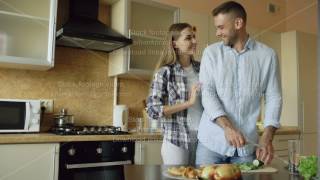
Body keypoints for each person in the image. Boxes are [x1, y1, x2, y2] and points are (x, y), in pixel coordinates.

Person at [196, 1, 282, 165]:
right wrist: (228, 128)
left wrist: (267, 136)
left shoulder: (267, 56)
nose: (217, 33)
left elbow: (274, 97)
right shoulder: (211, 53)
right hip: (211, 145)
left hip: (246, 148)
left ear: (238, 23)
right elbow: (208, 94)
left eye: (221, 27)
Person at [147, 23, 202, 165]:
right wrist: (188, 103)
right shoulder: (165, 72)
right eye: (188, 38)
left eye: (194, 37)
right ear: (175, 43)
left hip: (203, 138)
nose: (194, 41)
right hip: (176, 140)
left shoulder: (202, 68)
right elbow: (153, 110)